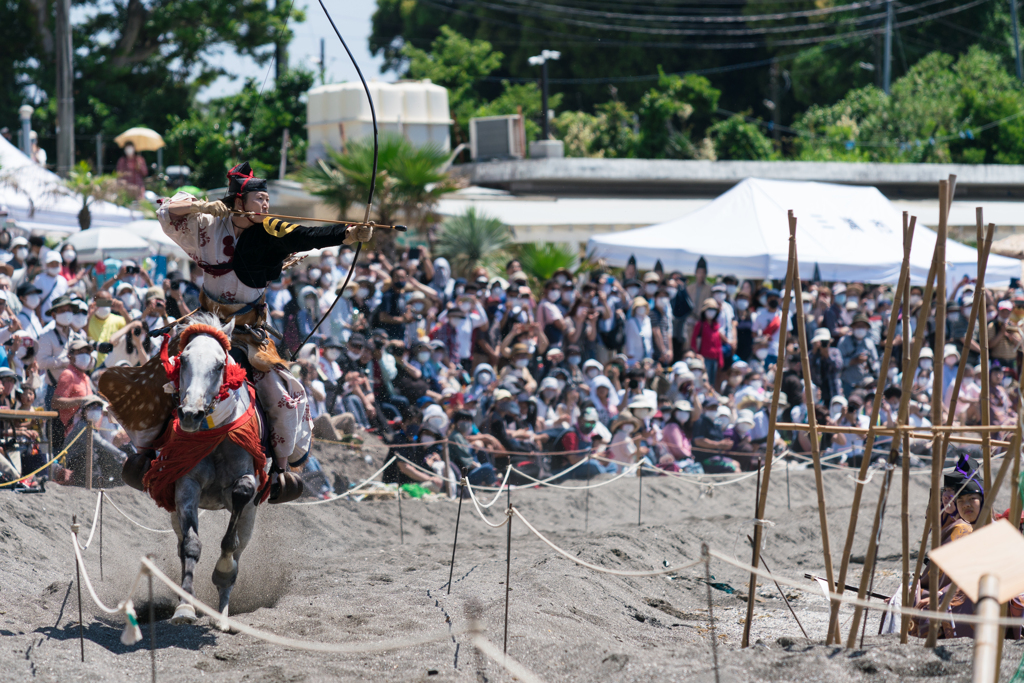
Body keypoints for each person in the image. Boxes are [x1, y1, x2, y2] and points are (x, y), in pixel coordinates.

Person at [139, 162, 373, 497]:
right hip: (205, 326)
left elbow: (305, 235)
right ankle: (146, 455)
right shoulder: (208, 222)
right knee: (161, 378)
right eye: (260, 199)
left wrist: (348, 234)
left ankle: (279, 469)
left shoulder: (269, 229)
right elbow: (166, 209)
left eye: (267, 200)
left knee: (281, 394)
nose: (265, 205)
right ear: (239, 200)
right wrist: (203, 203)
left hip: (248, 335)